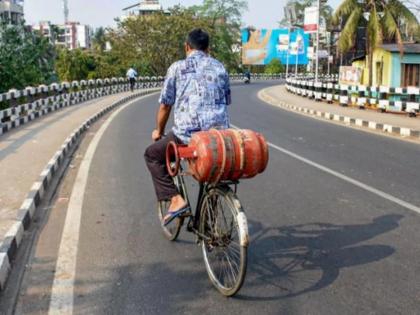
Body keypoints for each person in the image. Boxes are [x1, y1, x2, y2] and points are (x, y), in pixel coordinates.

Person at [144, 28, 231, 226]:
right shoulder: (220, 68)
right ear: (208, 49)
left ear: (186, 47)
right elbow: (225, 100)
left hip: (187, 135)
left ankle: (175, 200)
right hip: (218, 134)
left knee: (152, 155)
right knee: (214, 175)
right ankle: (209, 220)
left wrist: (159, 131)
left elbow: (166, 105)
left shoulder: (177, 68)